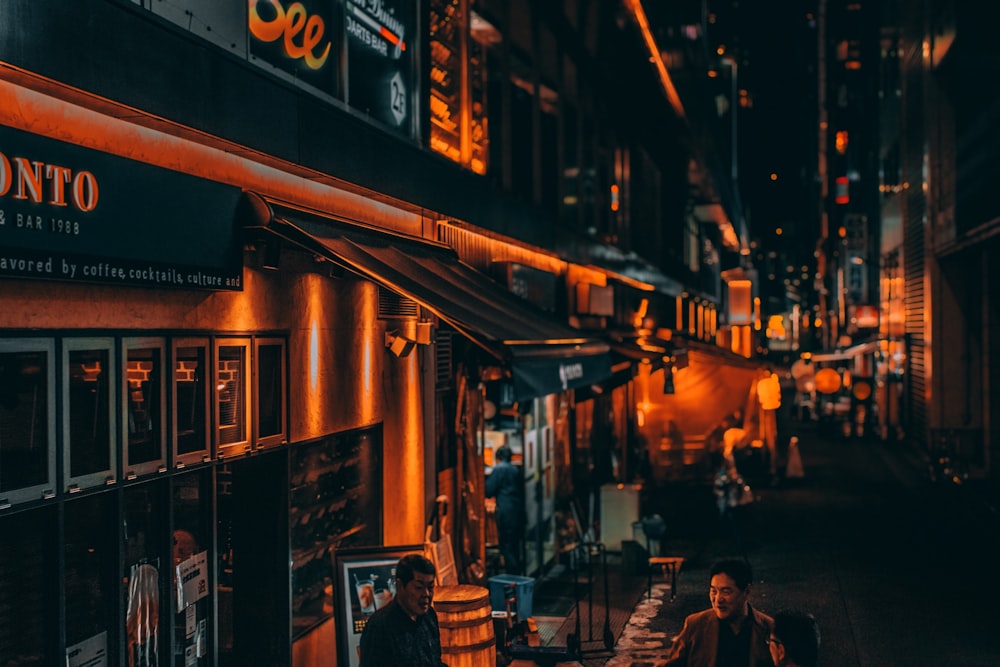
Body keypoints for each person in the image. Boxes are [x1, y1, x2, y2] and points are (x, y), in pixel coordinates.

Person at [656, 558, 774, 667]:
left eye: (726, 592)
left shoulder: (767, 628)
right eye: (713, 591)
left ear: (746, 591)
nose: (718, 599)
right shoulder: (696, 625)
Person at [359, 554, 446, 667]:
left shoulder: (429, 616)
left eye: (430, 587)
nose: (426, 594)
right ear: (400, 586)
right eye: (419, 587)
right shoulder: (379, 628)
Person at [485, 444, 524, 574]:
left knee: (506, 545)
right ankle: (518, 575)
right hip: (518, 510)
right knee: (515, 545)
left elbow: (488, 490)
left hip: (506, 512)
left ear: (498, 458)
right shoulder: (516, 470)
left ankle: (512, 577)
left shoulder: (499, 469)